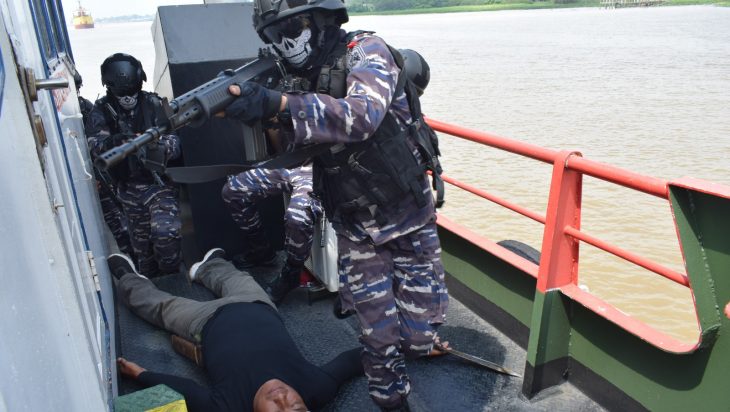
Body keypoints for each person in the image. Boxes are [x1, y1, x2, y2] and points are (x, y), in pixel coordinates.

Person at [220, 0, 449, 410]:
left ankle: (418, 343)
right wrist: (260, 113)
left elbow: (362, 117)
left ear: (324, 19)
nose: (286, 43)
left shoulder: (365, 51)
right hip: (356, 228)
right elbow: (297, 149)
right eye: (274, 35)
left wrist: (279, 104)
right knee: (378, 338)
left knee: (418, 338)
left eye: (294, 28)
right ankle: (393, 403)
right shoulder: (295, 80)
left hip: (408, 220)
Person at [110, 249, 363, 412]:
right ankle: (209, 266)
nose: (283, 398)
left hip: (204, 322)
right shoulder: (317, 387)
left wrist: (140, 374)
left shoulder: (228, 407)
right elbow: (354, 360)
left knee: (157, 307)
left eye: (277, 410)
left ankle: (129, 279)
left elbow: (186, 392)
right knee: (236, 277)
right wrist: (387, 344)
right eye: (296, 407)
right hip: (256, 304)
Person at [87, 53, 182, 276]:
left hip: (158, 185)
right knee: (143, 254)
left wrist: (155, 146)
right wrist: (118, 141)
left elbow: (175, 141)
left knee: (166, 234)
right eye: (121, 93)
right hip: (128, 189)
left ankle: (173, 278)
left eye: (131, 91)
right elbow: (95, 147)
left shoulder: (154, 104)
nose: (127, 98)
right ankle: (153, 283)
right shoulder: (101, 111)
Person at [221, 162, 321, 304]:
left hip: (322, 170)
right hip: (296, 162)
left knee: (297, 218)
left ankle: (292, 272)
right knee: (233, 189)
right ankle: (261, 250)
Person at [75, 71, 135, 258]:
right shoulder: (80, 110)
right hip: (94, 174)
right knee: (120, 227)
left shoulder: (87, 108)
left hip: (107, 173)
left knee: (128, 223)